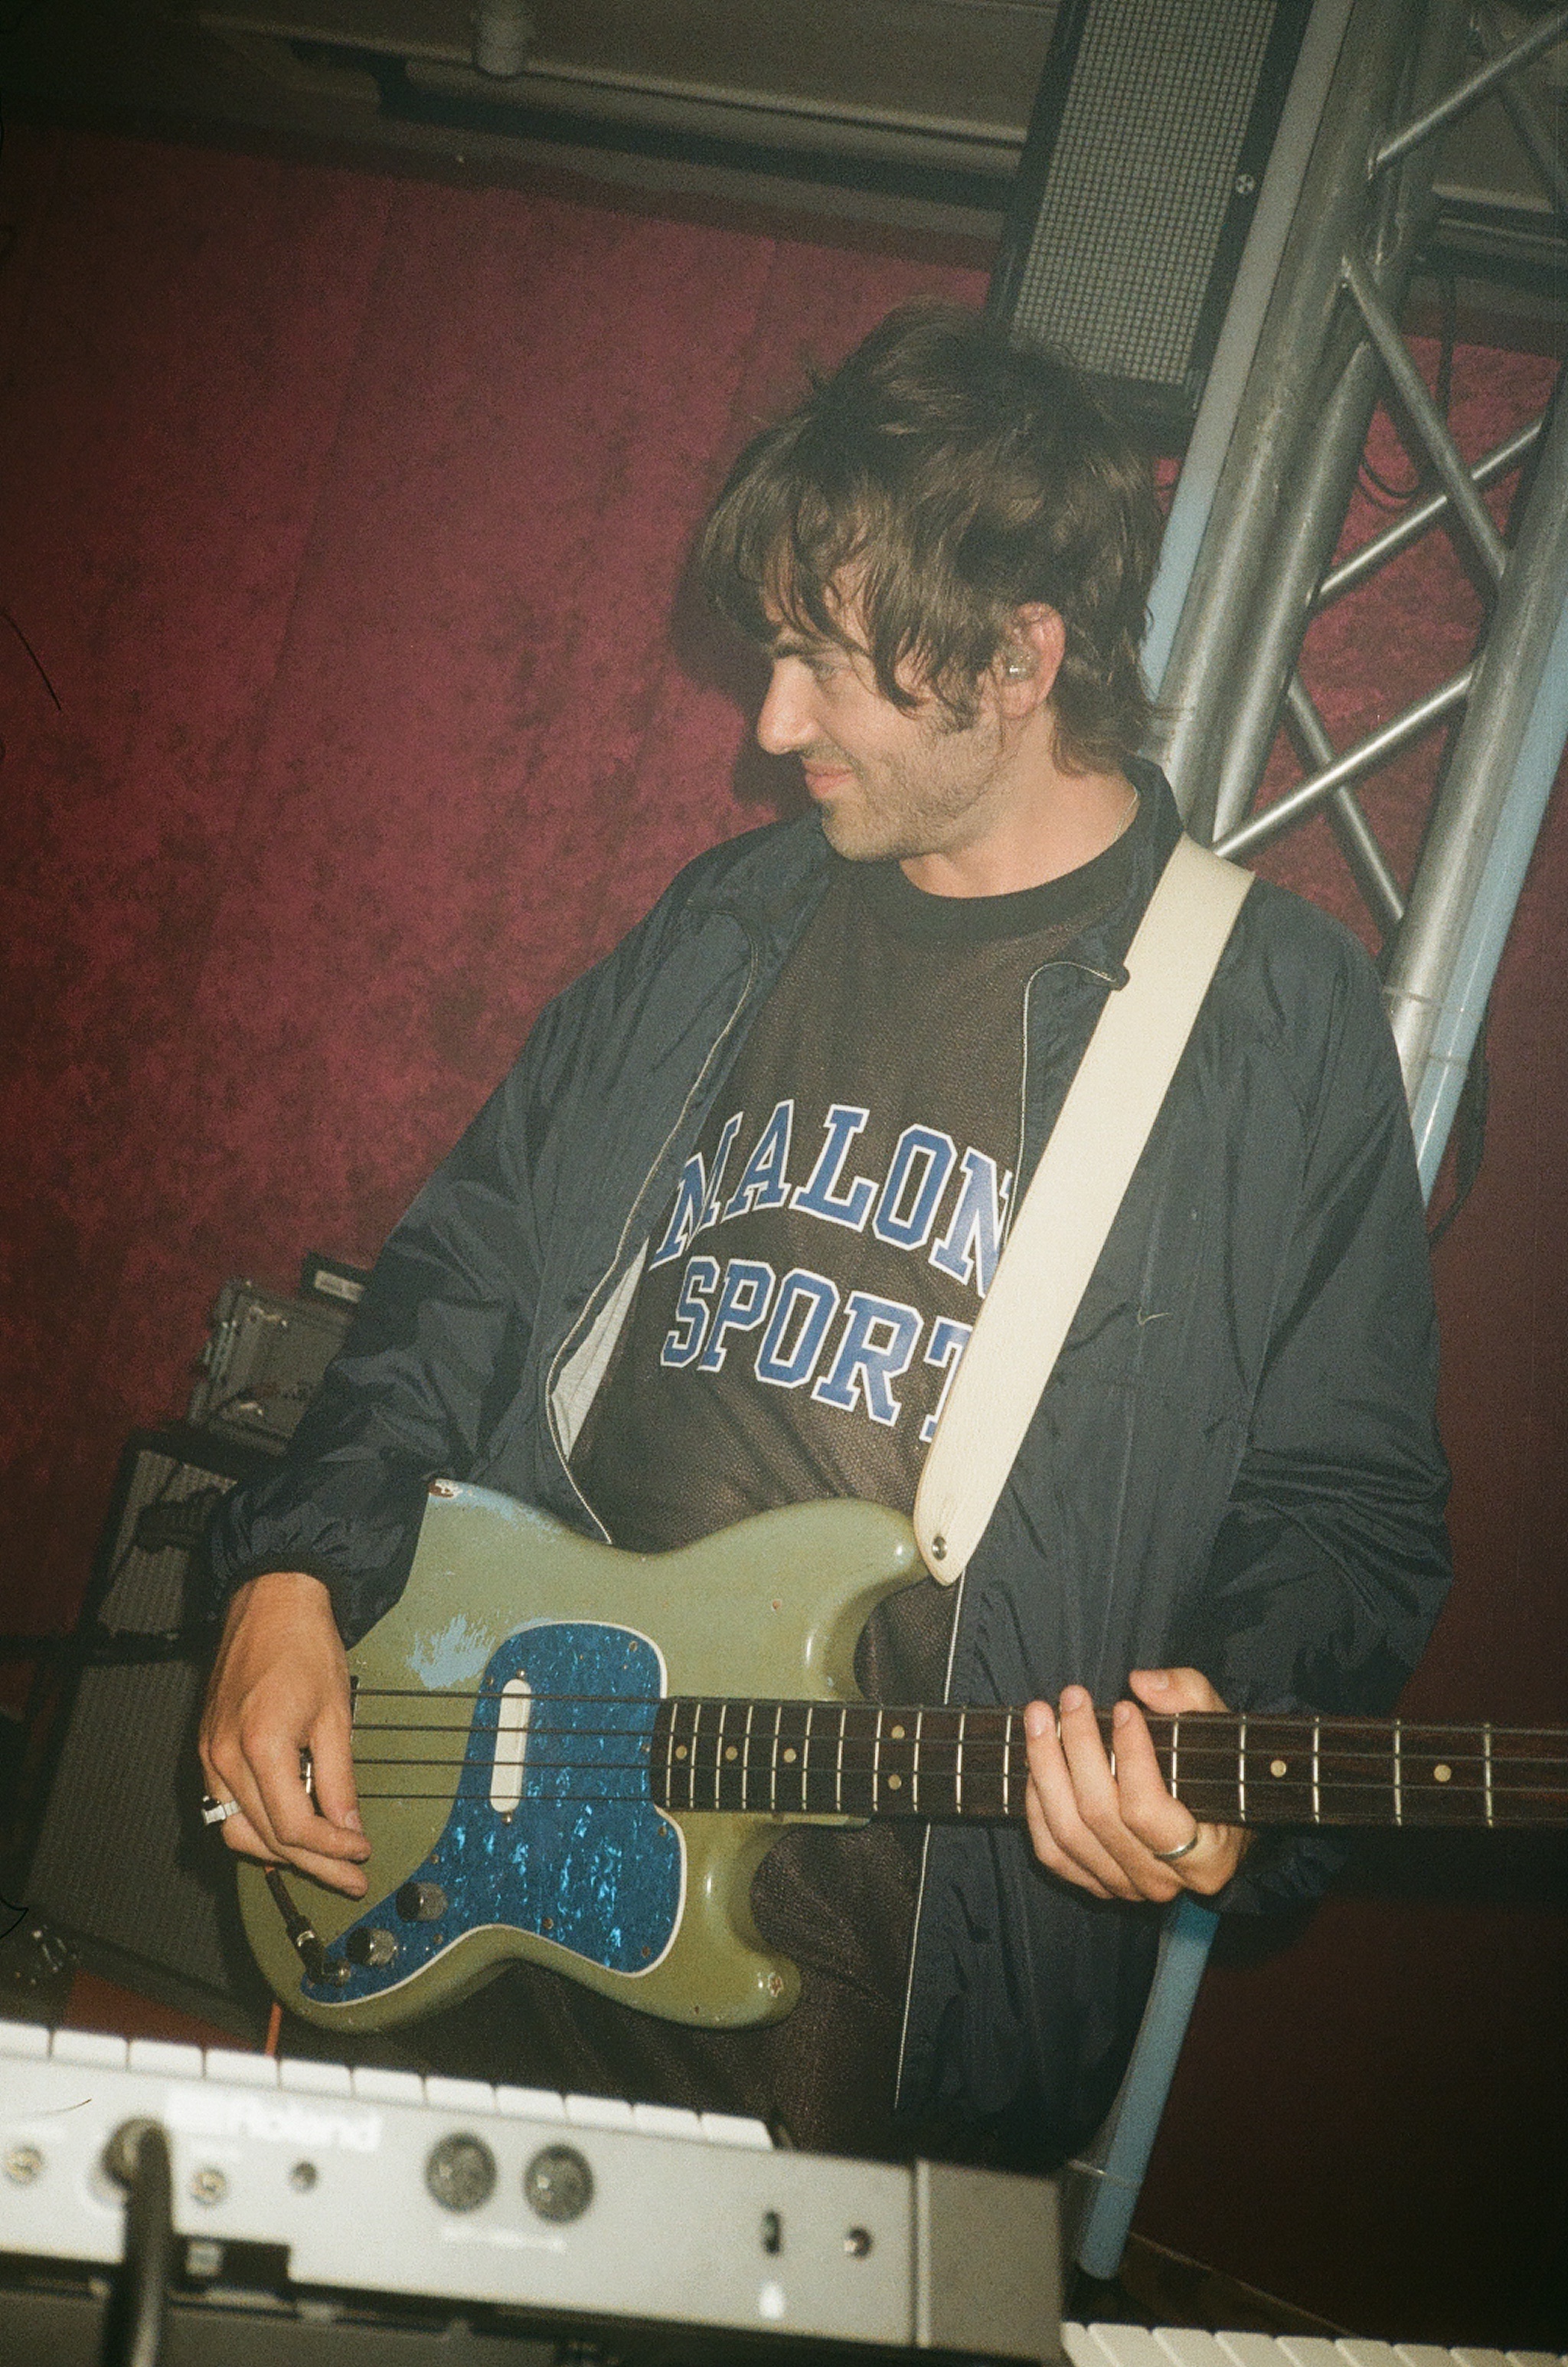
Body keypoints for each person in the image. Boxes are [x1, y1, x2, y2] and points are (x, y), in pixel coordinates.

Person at [199, 302, 1451, 2170]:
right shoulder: (728, 918)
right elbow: (470, 1271)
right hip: (495, 1862)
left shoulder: (1267, 1018)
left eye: (823, 666)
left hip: (878, 1993)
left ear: (1018, 657)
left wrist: (1231, 1747)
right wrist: (297, 1572)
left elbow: (1347, 1504)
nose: (772, 724)